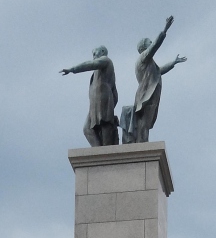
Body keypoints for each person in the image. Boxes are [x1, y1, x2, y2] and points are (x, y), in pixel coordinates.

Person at [123, 16, 187, 144]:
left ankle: (142, 141)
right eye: (149, 42)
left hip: (150, 93)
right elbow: (155, 45)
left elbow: (159, 71)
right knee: (145, 120)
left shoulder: (149, 63)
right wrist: (165, 29)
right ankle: (142, 142)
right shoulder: (144, 57)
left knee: (146, 120)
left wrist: (173, 62)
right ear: (144, 47)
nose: (151, 42)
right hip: (147, 94)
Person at [60, 46, 119, 147]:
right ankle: (99, 150)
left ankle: (107, 150)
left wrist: (72, 69)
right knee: (87, 128)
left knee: (104, 123)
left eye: (95, 52)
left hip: (103, 99)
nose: (93, 55)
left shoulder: (106, 60)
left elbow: (90, 64)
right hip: (95, 103)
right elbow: (115, 92)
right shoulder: (97, 72)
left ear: (103, 52)